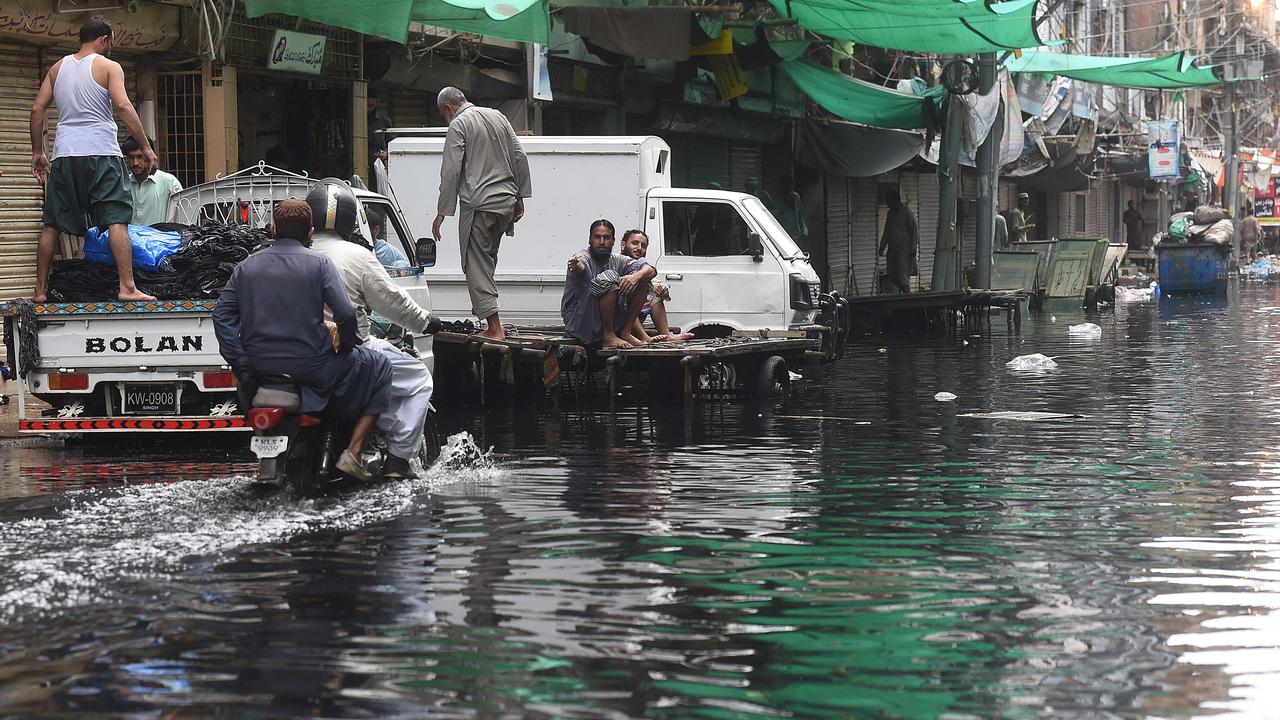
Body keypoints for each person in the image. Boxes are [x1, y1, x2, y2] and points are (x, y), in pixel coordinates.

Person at [213, 199, 392, 482]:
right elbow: (345, 312)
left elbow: (222, 315)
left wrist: (240, 362)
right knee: (380, 366)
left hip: (258, 372)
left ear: (272, 230)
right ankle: (354, 453)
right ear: (310, 232)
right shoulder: (319, 264)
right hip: (314, 370)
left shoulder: (246, 267)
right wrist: (347, 344)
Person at [306, 180, 440, 478]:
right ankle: (397, 461)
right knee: (418, 380)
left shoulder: (290, 256)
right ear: (349, 219)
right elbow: (392, 301)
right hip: (349, 350)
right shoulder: (357, 255)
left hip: (294, 355)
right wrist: (424, 321)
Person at [30, 15, 157, 303]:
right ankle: (127, 287)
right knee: (116, 218)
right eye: (111, 41)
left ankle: (39, 291)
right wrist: (145, 146)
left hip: (64, 156)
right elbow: (123, 105)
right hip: (102, 153)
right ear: (104, 39)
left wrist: (38, 152)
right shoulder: (109, 66)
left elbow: (37, 110)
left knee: (51, 223)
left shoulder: (57, 68)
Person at [433, 86, 532, 342]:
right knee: (487, 261)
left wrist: (443, 212)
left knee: (474, 262)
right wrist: (520, 196)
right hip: (505, 202)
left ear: (448, 108)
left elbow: (451, 169)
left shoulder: (459, 124)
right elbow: (520, 156)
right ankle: (492, 320)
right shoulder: (497, 115)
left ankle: (495, 327)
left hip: (479, 204)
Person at [562, 219, 656, 350]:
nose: (601, 242)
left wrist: (635, 277)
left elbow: (650, 269)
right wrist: (575, 265)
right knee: (610, 277)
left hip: (601, 320)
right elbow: (579, 266)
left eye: (606, 238)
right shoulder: (583, 257)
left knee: (643, 281)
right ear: (590, 240)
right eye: (597, 237)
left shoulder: (617, 259)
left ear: (613, 241)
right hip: (579, 322)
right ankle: (609, 336)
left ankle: (626, 332)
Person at [620, 229, 694, 343]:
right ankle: (644, 337)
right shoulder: (617, 261)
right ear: (623, 245)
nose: (639, 248)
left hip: (637, 316)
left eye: (643, 245)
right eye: (635, 243)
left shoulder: (641, 266)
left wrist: (662, 291)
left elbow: (652, 274)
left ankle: (666, 335)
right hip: (619, 317)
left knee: (654, 293)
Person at [123, 136, 182, 227]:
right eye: (131, 157)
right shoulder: (123, 184)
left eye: (140, 157)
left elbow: (181, 220)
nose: (135, 163)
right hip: (130, 240)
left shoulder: (169, 183)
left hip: (161, 239)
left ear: (150, 156)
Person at [877, 190, 917, 294]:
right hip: (892, 249)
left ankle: (908, 296)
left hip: (904, 250)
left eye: (889, 201)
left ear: (895, 200)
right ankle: (905, 291)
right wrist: (882, 246)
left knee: (902, 274)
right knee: (891, 273)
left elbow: (914, 230)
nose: (887, 204)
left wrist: (913, 247)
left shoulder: (906, 213)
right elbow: (887, 230)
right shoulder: (890, 214)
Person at [773, 177, 808, 245]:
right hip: (782, 232)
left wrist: (804, 230)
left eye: (790, 186)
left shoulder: (796, 197)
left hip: (795, 233)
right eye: (786, 185)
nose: (789, 188)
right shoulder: (779, 198)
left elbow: (800, 214)